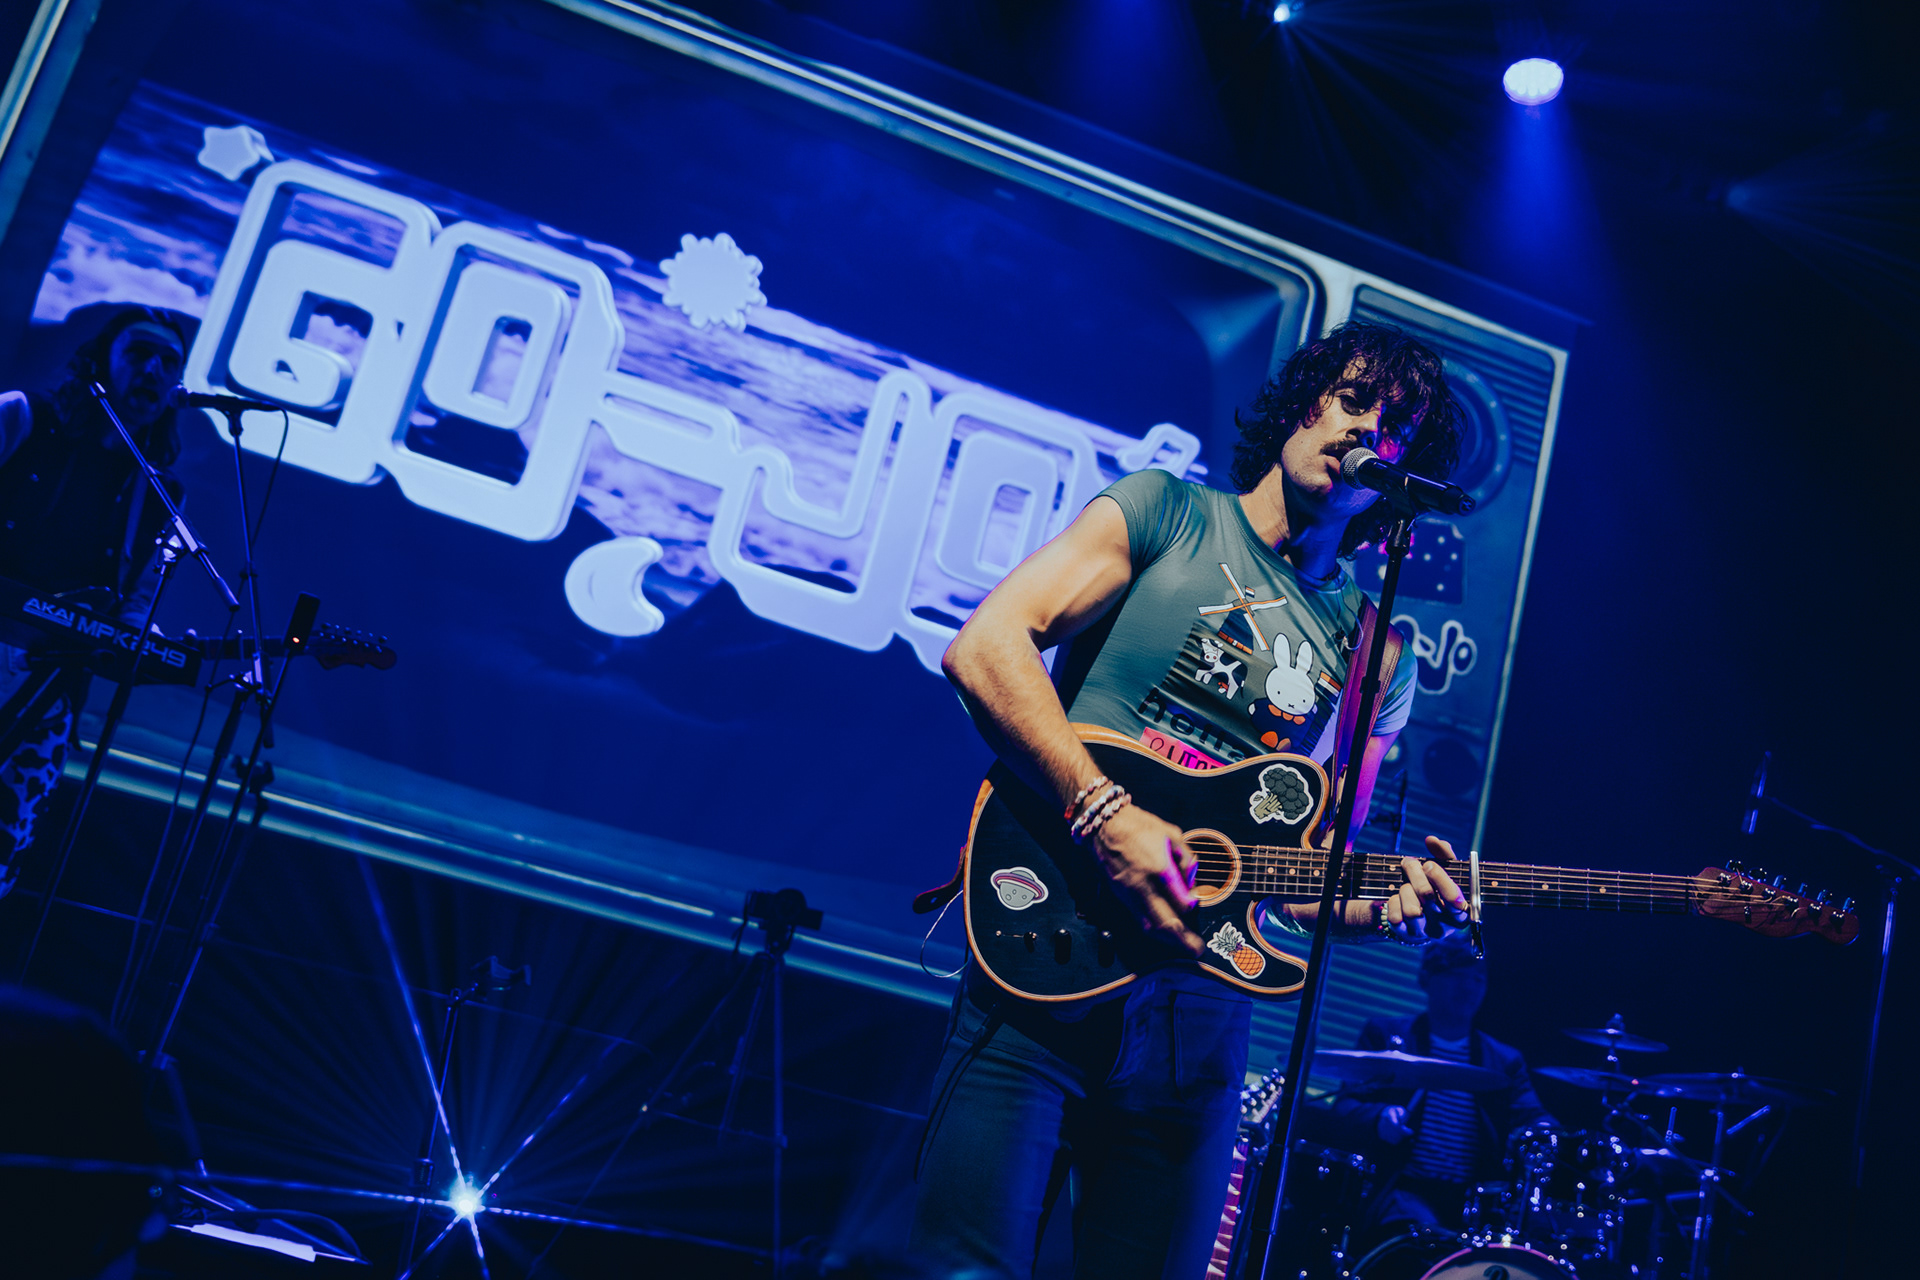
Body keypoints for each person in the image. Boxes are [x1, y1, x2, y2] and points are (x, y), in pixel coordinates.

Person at [909, 320, 1472, 1279]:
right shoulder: (1163, 512)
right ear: (1304, 402)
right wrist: (1105, 814)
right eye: (1353, 401)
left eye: (1395, 430)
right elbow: (988, 646)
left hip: (1196, 1022)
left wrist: (1390, 907)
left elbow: (1307, 879)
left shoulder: (1378, 656)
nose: (1366, 433)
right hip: (1047, 959)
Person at [0, 306, 190, 899]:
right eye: (139, 353)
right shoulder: (20, 416)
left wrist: (151, 643)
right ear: (100, 361)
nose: (154, 370)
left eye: (169, 362)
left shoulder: (161, 492)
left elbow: (134, 603)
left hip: (45, 695)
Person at [1330, 934, 1553, 1246]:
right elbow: (1343, 1107)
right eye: (1457, 975)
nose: (1469, 987)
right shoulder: (1387, 1036)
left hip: (1471, 1203)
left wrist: (1551, 1133)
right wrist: (1380, 1117)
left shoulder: (1504, 1061)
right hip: (1402, 1191)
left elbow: (1534, 1119)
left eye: (1478, 978)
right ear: (1426, 978)